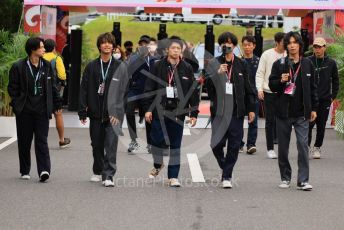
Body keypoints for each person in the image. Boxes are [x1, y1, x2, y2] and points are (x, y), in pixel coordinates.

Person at [143, 38, 200, 187]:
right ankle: (158, 164)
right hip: (159, 110)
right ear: (167, 50)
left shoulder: (186, 67)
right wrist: (148, 109)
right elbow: (149, 88)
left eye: (178, 48)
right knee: (156, 141)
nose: (176, 51)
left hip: (177, 112)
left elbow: (193, 91)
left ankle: (173, 176)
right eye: (173, 48)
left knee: (175, 144)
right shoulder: (157, 66)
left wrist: (193, 113)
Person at [205, 32, 256, 189]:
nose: (226, 46)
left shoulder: (242, 64)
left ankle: (227, 175)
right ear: (220, 46)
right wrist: (217, 74)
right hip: (219, 111)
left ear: (234, 46)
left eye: (229, 44)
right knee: (216, 144)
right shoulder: (213, 63)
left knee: (234, 144)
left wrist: (251, 109)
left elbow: (249, 88)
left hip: (236, 111)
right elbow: (206, 86)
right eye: (223, 44)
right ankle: (225, 166)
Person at [269, 31, 318, 191]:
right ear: (285, 45)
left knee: (303, 145)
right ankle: (285, 177)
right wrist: (280, 81)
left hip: (302, 113)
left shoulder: (307, 64)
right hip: (283, 113)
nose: (292, 45)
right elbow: (272, 85)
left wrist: (314, 108)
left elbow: (313, 88)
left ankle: (303, 180)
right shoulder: (279, 64)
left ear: (299, 44)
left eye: (294, 42)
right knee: (283, 147)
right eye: (289, 43)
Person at [8, 37, 61, 182]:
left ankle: (44, 170)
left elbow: (53, 87)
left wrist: (57, 105)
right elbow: (12, 88)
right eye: (42, 47)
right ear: (33, 49)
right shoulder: (19, 66)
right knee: (24, 141)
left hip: (42, 110)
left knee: (41, 140)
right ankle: (25, 170)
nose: (44, 49)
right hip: (25, 110)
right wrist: (18, 103)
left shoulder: (47, 65)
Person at [79, 33, 128, 187]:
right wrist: (82, 111)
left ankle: (109, 176)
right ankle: (98, 169)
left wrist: (118, 113)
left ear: (113, 47)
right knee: (97, 145)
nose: (106, 45)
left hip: (113, 115)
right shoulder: (92, 66)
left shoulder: (120, 66)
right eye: (103, 42)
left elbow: (124, 92)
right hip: (95, 113)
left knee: (111, 145)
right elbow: (84, 90)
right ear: (99, 46)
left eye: (109, 43)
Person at [307, 37, 339, 159]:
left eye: (320, 47)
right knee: (308, 124)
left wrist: (333, 96)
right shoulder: (308, 61)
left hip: (325, 99)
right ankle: (306, 146)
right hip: (310, 99)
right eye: (315, 47)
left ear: (324, 47)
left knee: (321, 125)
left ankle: (317, 147)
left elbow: (335, 80)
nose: (317, 49)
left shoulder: (331, 63)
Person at [256, 32, 286, 159]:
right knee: (270, 121)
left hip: (284, 93)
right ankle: (270, 148)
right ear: (277, 42)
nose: (287, 45)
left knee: (284, 121)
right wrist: (260, 89)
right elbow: (260, 73)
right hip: (269, 92)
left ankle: (283, 147)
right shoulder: (267, 54)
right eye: (284, 42)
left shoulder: (288, 55)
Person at [126, 35, 158, 154]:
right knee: (129, 111)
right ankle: (133, 140)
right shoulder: (133, 58)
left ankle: (150, 143)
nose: (143, 46)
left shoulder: (155, 59)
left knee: (148, 117)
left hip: (148, 92)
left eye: (146, 44)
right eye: (141, 44)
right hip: (134, 90)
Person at [43, 39, 71, 148]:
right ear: (54, 48)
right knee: (58, 114)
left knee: (41, 115)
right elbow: (62, 75)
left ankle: (41, 140)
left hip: (41, 91)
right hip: (54, 90)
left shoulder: (40, 58)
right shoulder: (57, 58)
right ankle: (62, 140)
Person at [239, 35, 260, 154]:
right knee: (239, 120)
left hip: (254, 94)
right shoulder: (238, 61)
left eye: (249, 45)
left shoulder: (259, 61)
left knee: (253, 120)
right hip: (241, 95)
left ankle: (251, 144)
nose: (247, 47)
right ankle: (239, 143)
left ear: (254, 46)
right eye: (245, 45)